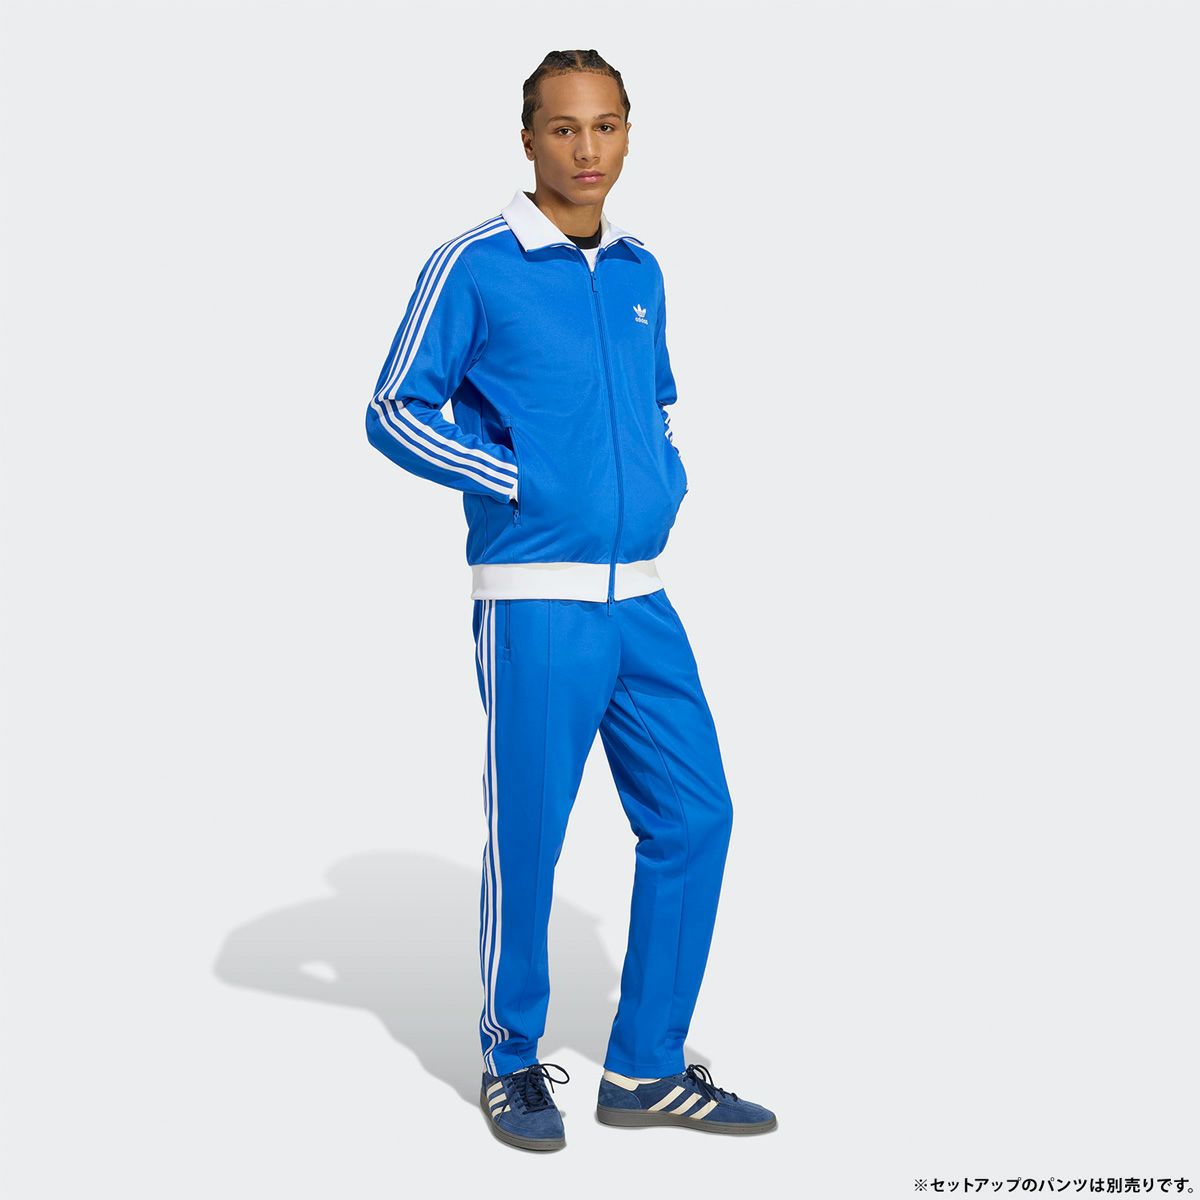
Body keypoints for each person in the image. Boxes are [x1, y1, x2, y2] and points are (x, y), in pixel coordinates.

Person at [365, 49, 777, 1152]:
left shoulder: (641, 270)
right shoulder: (475, 264)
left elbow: (658, 403)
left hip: (641, 597)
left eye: (605, 127)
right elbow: (394, 408)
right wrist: (521, 481)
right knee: (530, 837)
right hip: (536, 600)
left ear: (628, 133)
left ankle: (646, 1066)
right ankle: (511, 1057)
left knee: (696, 816)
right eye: (563, 128)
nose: (586, 149)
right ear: (528, 139)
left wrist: (667, 479)